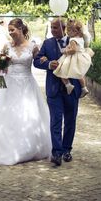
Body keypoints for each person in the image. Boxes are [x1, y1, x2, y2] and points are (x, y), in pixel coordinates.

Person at [0, 18, 52, 165]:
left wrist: (46, 60)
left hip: (27, 85)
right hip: (10, 85)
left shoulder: (33, 47)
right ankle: (8, 147)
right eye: (9, 30)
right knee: (8, 115)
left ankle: (29, 147)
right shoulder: (7, 46)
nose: (10, 33)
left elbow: (38, 62)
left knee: (28, 114)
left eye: (12, 30)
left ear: (20, 29)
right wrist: (0, 65)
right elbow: (1, 69)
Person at [33, 18, 83, 166]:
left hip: (72, 87)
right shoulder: (47, 43)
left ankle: (67, 150)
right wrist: (48, 63)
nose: (52, 30)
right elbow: (36, 61)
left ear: (63, 28)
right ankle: (57, 152)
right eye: (51, 28)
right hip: (54, 89)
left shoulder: (74, 41)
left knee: (70, 120)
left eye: (55, 28)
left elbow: (82, 60)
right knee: (55, 121)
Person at [52, 18, 93, 98]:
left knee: (61, 70)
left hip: (74, 57)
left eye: (69, 31)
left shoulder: (73, 40)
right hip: (81, 56)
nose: (67, 32)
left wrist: (66, 51)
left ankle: (68, 85)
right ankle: (84, 87)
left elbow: (73, 50)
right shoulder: (81, 39)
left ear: (75, 31)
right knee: (79, 74)